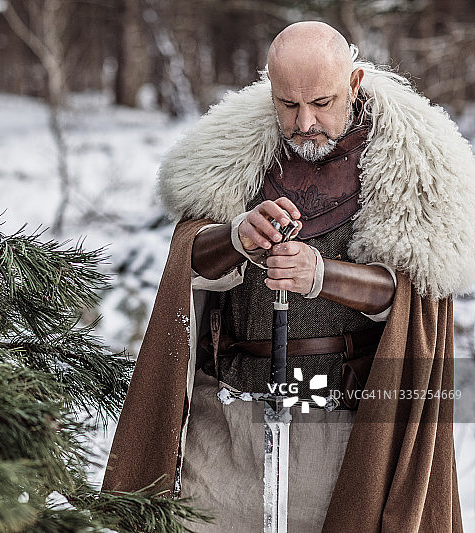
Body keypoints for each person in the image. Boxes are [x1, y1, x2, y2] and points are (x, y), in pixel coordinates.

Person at [102, 21, 472, 533]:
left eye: (322, 102)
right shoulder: (230, 156)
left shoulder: (414, 166)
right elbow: (188, 263)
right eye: (288, 104)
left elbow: (417, 295)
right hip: (225, 432)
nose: (304, 122)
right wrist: (235, 238)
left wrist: (323, 275)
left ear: (355, 82)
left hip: (340, 430)